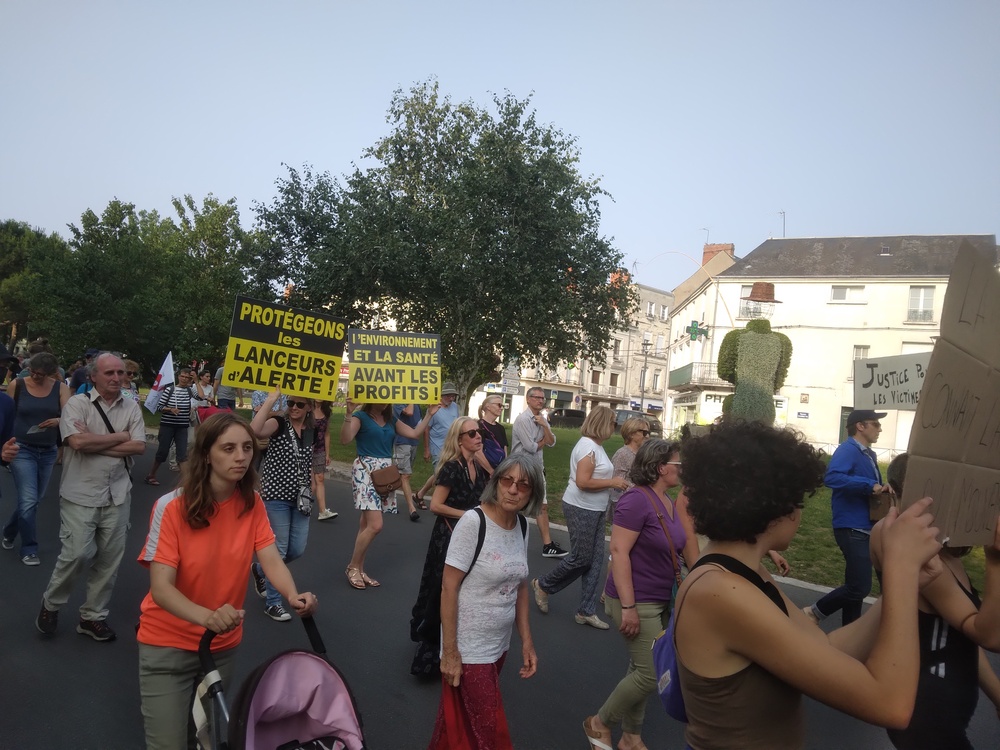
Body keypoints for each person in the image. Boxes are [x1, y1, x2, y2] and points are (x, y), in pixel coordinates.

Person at [671, 419, 941, 749]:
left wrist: (902, 590)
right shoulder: (721, 592)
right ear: (777, 507)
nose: (799, 513)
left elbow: (823, 648)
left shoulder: (740, 572)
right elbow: (891, 704)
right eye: (798, 500)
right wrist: (901, 570)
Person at [135, 412, 318, 749]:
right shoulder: (171, 507)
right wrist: (209, 617)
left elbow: (270, 558)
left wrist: (293, 594)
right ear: (206, 454)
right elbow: (161, 589)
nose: (241, 457)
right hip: (167, 646)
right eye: (229, 448)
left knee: (202, 739)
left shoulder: (252, 503)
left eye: (247, 448)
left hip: (220, 646)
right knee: (168, 744)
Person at [870, 453, 1000, 750]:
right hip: (925, 715)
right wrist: (995, 562)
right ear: (896, 493)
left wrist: (996, 693)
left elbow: (962, 636)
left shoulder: (940, 548)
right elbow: (988, 634)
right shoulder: (897, 541)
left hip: (944, 714)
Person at [584, 438, 698, 749]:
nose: (682, 468)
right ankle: (599, 723)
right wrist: (629, 607)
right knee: (650, 674)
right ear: (661, 468)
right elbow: (619, 551)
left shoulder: (666, 500)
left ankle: (631, 737)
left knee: (639, 667)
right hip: (636, 600)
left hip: (660, 599)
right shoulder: (636, 500)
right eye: (677, 463)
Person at [428, 454, 544, 750]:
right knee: (488, 731)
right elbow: (448, 587)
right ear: (496, 482)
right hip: (468, 648)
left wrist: (527, 642)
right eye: (507, 480)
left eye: (523, 485)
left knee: (457, 724)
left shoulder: (522, 525)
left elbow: (520, 586)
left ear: (532, 493)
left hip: (498, 645)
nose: (513, 489)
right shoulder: (473, 522)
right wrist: (450, 652)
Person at [35, 352, 146, 641]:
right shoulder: (77, 404)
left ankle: (92, 617)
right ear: (93, 376)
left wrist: (93, 442)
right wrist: (120, 437)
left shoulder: (131, 407)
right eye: (110, 373)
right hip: (80, 493)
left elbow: (139, 447)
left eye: (121, 372)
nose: (117, 378)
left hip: (118, 494)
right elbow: (76, 442)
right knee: (77, 554)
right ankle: (52, 603)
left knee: (109, 561)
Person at [531, 406, 629, 629]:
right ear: (602, 423)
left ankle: (586, 610)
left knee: (595, 560)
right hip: (581, 507)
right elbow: (583, 482)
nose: (615, 426)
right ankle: (544, 585)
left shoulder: (596, 446)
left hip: (595, 508)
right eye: (612, 422)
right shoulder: (588, 447)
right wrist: (612, 482)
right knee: (581, 558)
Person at [410, 417, 491, 679]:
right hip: (447, 537)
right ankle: (429, 655)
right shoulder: (451, 468)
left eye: (478, 432)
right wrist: (468, 516)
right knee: (441, 592)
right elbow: (436, 505)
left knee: (463, 593)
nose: (478, 436)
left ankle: (457, 647)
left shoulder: (477, 466)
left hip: (469, 537)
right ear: (459, 440)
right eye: (472, 433)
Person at [340, 398, 438, 590]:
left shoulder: (392, 419)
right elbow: (345, 439)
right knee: (375, 525)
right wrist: (349, 414)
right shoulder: (361, 417)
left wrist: (429, 414)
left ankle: (360, 568)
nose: (384, 401)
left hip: (385, 474)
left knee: (365, 524)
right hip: (365, 471)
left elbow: (414, 433)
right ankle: (352, 566)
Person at [803, 408, 887, 626]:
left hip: (864, 525)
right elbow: (832, 477)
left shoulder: (868, 454)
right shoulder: (848, 449)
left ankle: (848, 632)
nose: (880, 429)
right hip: (851, 526)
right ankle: (814, 612)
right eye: (876, 424)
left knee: (854, 586)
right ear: (860, 426)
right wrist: (869, 485)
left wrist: (881, 488)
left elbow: (869, 486)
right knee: (860, 587)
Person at [248, 388, 315, 621]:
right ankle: (273, 602)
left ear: (309, 408)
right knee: (280, 549)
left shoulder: (311, 431)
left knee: (297, 549)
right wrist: (271, 400)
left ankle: (261, 569)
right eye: (291, 403)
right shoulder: (278, 423)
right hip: (275, 496)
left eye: (300, 404)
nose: (294, 407)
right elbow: (255, 431)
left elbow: (309, 462)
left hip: (301, 499)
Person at [2, 353, 72, 566]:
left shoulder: (60, 388)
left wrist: (58, 420)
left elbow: (71, 414)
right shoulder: (18, 385)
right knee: (29, 499)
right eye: (32, 371)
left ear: (51, 373)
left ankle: (9, 531)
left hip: (48, 450)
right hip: (21, 448)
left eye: (40, 374)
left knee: (34, 499)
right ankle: (29, 548)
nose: (34, 376)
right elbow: (8, 415)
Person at [510, 386, 566, 558]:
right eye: (537, 397)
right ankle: (505, 536)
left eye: (542, 398)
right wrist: (543, 441)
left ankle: (548, 546)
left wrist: (544, 427)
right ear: (528, 399)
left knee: (542, 506)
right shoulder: (522, 419)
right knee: (515, 504)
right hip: (521, 468)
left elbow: (552, 442)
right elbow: (531, 447)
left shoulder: (542, 419)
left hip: (537, 467)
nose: (540, 400)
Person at [145, 367, 196, 486]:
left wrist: (197, 381)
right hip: (167, 425)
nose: (184, 379)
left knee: (182, 455)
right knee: (162, 452)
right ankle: (151, 475)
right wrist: (170, 409)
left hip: (182, 426)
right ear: (178, 377)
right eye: (182, 376)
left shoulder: (190, 390)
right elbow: (159, 407)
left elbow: (201, 397)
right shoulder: (170, 390)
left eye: (187, 377)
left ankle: (188, 483)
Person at [414, 383, 461, 506]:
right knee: (441, 476)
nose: (451, 398)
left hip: (453, 446)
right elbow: (426, 429)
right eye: (449, 396)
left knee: (440, 473)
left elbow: (458, 424)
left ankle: (420, 495)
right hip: (437, 447)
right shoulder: (434, 408)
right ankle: (439, 504)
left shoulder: (455, 407)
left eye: (453, 396)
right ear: (442, 395)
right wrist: (426, 449)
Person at [608, 417, 650, 519]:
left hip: (640, 504)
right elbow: (616, 487)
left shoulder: (643, 454)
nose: (647, 436)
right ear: (631, 434)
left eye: (648, 433)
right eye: (644, 433)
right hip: (626, 507)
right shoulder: (622, 454)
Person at [393, 402, 424, 520]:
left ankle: (385, 497)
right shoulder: (398, 402)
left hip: (413, 442)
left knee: (400, 475)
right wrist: (411, 399)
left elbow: (420, 423)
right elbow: (409, 412)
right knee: (405, 475)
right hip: (402, 442)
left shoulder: (417, 404)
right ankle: (412, 509)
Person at [313, 400, 338, 521]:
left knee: (320, 478)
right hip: (306, 448)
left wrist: (327, 454)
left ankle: (322, 511)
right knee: (309, 483)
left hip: (319, 449)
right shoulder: (306, 409)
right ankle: (300, 506)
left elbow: (326, 434)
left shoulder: (326, 412)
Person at [477, 395, 508, 469]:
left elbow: (505, 451)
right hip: (483, 470)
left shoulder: (501, 428)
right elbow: (478, 453)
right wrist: (491, 471)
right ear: (488, 407)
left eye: (502, 406)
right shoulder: (478, 426)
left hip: (499, 469)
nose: (501, 408)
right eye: (499, 405)